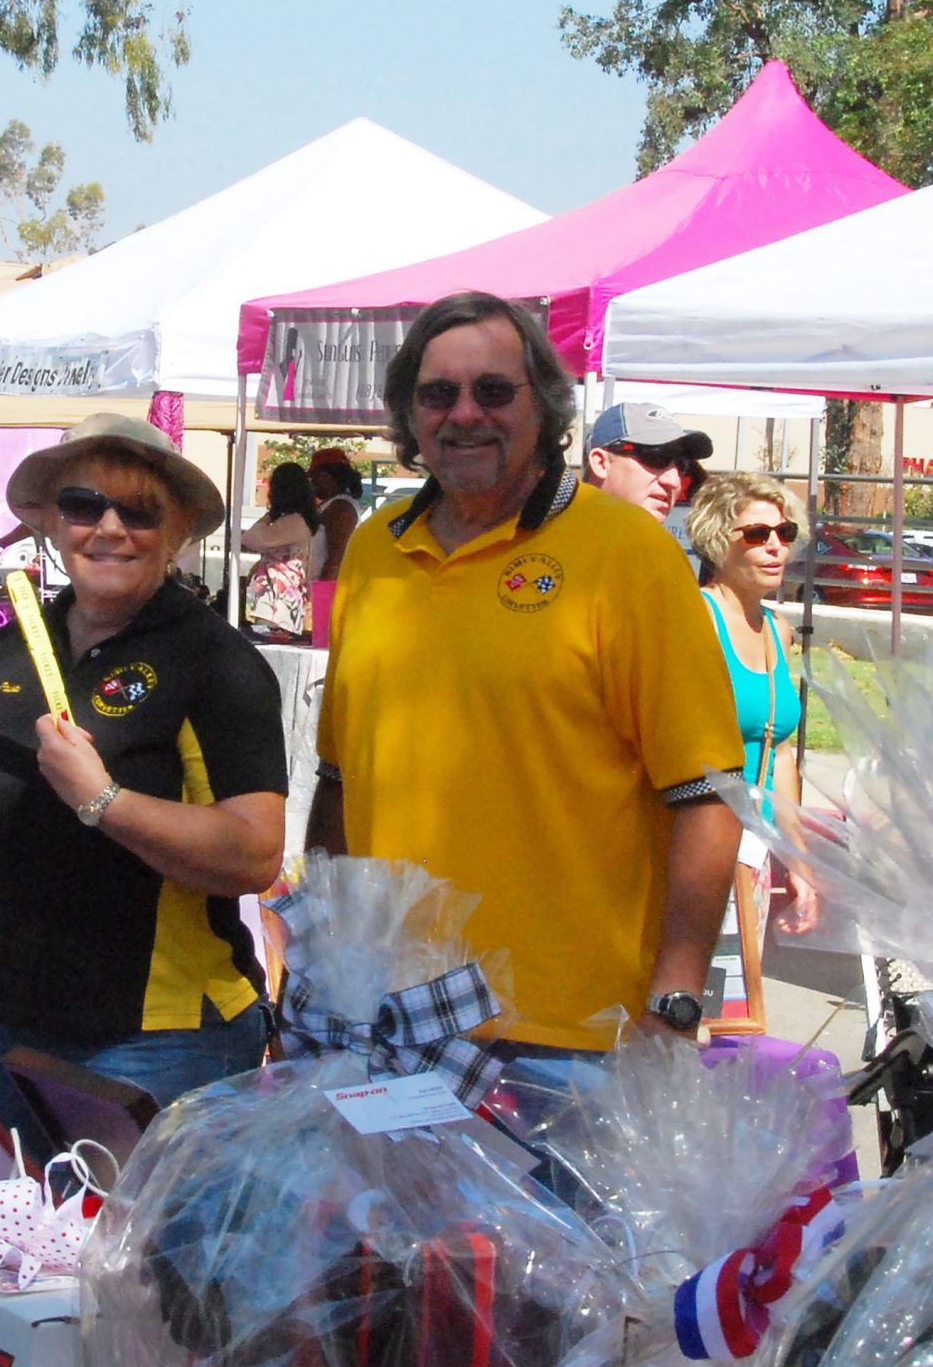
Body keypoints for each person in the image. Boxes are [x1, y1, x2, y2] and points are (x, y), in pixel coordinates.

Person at [307, 291, 742, 1085]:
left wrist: (675, 997)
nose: (464, 414)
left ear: (543, 408)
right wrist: (318, 961)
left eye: (493, 391)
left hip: (570, 1041)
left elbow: (707, 794)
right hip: (390, 1025)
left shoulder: (628, 557)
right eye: (438, 394)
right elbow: (339, 781)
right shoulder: (373, 551)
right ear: (410, 416)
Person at [0, 412, 286, 1162]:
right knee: (18, 1271)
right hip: (5, 1023)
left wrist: (104, 800)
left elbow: (255, 854)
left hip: (157, 1044)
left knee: (139, 1275)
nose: (109, 527)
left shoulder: (214, 661)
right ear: (51, 522)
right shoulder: (16, 646)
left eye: (140, 510)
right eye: (84, 505)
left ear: (177, 530)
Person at [687, 472, 821, 1032]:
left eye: (785, 532)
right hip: (697, 854)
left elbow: (780, 751)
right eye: (757, 533)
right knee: (690, 1013)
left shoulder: (778, 629)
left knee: (732, 1020)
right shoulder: (694, 617)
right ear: (720, 539)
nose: (775, 545)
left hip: (754, 856)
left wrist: (800, 861)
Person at [584, 400, 709, 522]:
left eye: (683, 464)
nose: (674, 481)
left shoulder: (667, 543)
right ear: (600, 463)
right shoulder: (566, 539)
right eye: (656, 457)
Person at [238, 461, 319, 643]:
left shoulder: (293, 522)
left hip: (278, 600)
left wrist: (268, 516)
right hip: (281, 598)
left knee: (270, 644)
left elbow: (252, 538)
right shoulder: (298, 520)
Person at [308, 445, 363, 570]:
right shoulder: (331, 504)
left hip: (328, 585)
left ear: (325, 476)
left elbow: (337, 557)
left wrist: (323, 588)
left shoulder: (340, 508)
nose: (312, 482)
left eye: (314, 477)